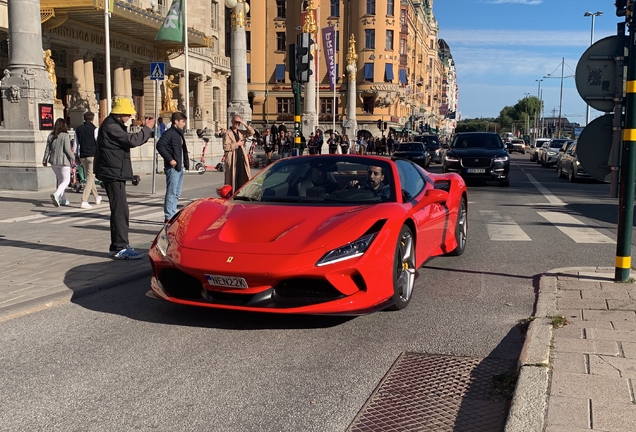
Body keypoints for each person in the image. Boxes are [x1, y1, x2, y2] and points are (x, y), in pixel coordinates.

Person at [95, 97, 155, 260]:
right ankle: (121, 247)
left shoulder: (113, 124)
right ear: (120, 113)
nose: (130, 117)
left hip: (114, 172)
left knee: (119, 210)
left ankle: (117, 246)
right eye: (128, 114)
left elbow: (129, 139)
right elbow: (132, 140)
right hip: (112, 173)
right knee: (121, 211)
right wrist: (147, 129)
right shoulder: (112, 127)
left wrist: (144, 129)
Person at [156, 112, 189, 224]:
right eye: (183, 121)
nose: (184, 124)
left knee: (176, 192)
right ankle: (168, 217)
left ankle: (172, 213)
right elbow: (160, 145)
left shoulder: (178, 133)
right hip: (172, 167)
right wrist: (170, 159)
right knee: (171, 192)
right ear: (176, 121)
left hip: (179, 167)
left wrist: (184, 162)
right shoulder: (169, 133)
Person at [42, 118, 74, 207]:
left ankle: (63, 199)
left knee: (60, 180)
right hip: (64, 161)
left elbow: (47, 149)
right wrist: (74, 158)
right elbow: (67, 149)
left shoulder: (51, 135)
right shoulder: (65, 136)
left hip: (53, 161)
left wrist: (44, 159)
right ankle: (56, 194)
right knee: (66, 180)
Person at [75, 112, 102, 209]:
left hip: (82, 155)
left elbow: (76, 143)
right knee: (91, 177)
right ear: (92, 119)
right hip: (93, 155)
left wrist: (76, 155)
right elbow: (98, 142)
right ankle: (84, 200)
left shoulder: (78, 129)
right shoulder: (95, 129)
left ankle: (96, 197)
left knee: (89, 176)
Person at [223, 114, 254, 191]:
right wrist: (237, 144)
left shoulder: (240, 132)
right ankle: (232, 193)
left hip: (241, 157)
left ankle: (240, 192)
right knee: (233, 178)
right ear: (232, 122)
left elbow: (251, 132)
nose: (237, 124)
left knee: (241, 176)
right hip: (233, 158)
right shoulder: (228, 133)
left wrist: (243, 123)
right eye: (236, 122)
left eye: (238, 122)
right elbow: (225, 147)